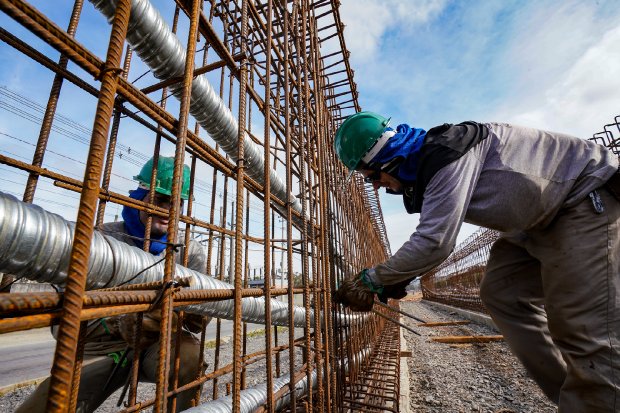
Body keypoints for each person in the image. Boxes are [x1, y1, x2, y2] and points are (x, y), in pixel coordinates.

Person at [332, 111, 620, 412]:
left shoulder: (447, 154)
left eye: (372, 175)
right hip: (535, 222)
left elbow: (434, 242)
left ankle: (596, 399)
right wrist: (398, 277)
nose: (376, 186)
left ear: (390, 159)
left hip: (582, 199)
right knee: (502, 294)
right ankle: (576, 398)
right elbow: (433, 238)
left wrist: (372, 280)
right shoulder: (434, 163)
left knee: (585, 331)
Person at [16, 156, 210, 413]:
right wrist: (118, 321)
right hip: (102, 348)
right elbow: (61, 324)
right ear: (139, 199)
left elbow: (203, 308)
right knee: (47, 406)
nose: (169, 212)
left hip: (158, 344)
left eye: (177, 204)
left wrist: (195, 312)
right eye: (161, 201)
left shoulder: (189, 251)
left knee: (188, 359)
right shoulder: (101, 239)